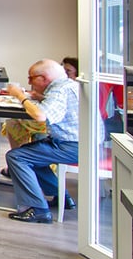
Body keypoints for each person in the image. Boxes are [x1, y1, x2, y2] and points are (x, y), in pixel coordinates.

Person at [4, 59, 79, 224]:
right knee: (32, 153)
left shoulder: (59, 90)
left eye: (31, 78)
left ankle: (37, 209)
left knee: (16, 156)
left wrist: (20, 96)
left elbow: (40, 115)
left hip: (72, 146)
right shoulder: (68, 85)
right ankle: (62, 196)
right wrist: (38, 97)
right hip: (81, 144)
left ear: (44, 78)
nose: (29, 82)